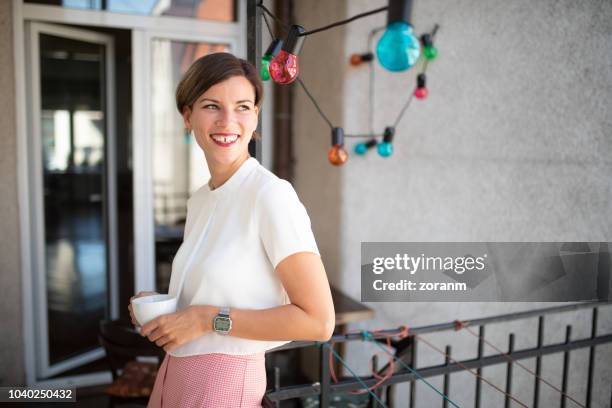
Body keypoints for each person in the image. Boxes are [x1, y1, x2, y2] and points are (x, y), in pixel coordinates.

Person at [127, 52, 335, 408]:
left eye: (242, 106)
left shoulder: (271, 195)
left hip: (223, 383)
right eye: (211, 106)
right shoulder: (201, 200)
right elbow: (219, 290)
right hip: (175, 374)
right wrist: (167, 311)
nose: (228, 121)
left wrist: (208, 319)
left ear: (255, 117)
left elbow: (318, 322)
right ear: (187, 116)